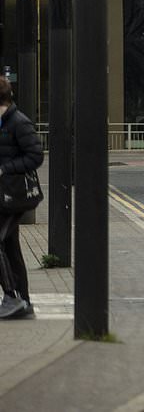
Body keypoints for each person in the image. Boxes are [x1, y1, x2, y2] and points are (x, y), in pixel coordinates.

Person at [0, 76, 43, 319]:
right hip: (4, 196)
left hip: (14, 197)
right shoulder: (4, 122)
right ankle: (22, 301)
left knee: (3, 243)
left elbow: (36, 156)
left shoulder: (19, 122)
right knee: (10, 247)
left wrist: (6, 168)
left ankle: (12, 297)